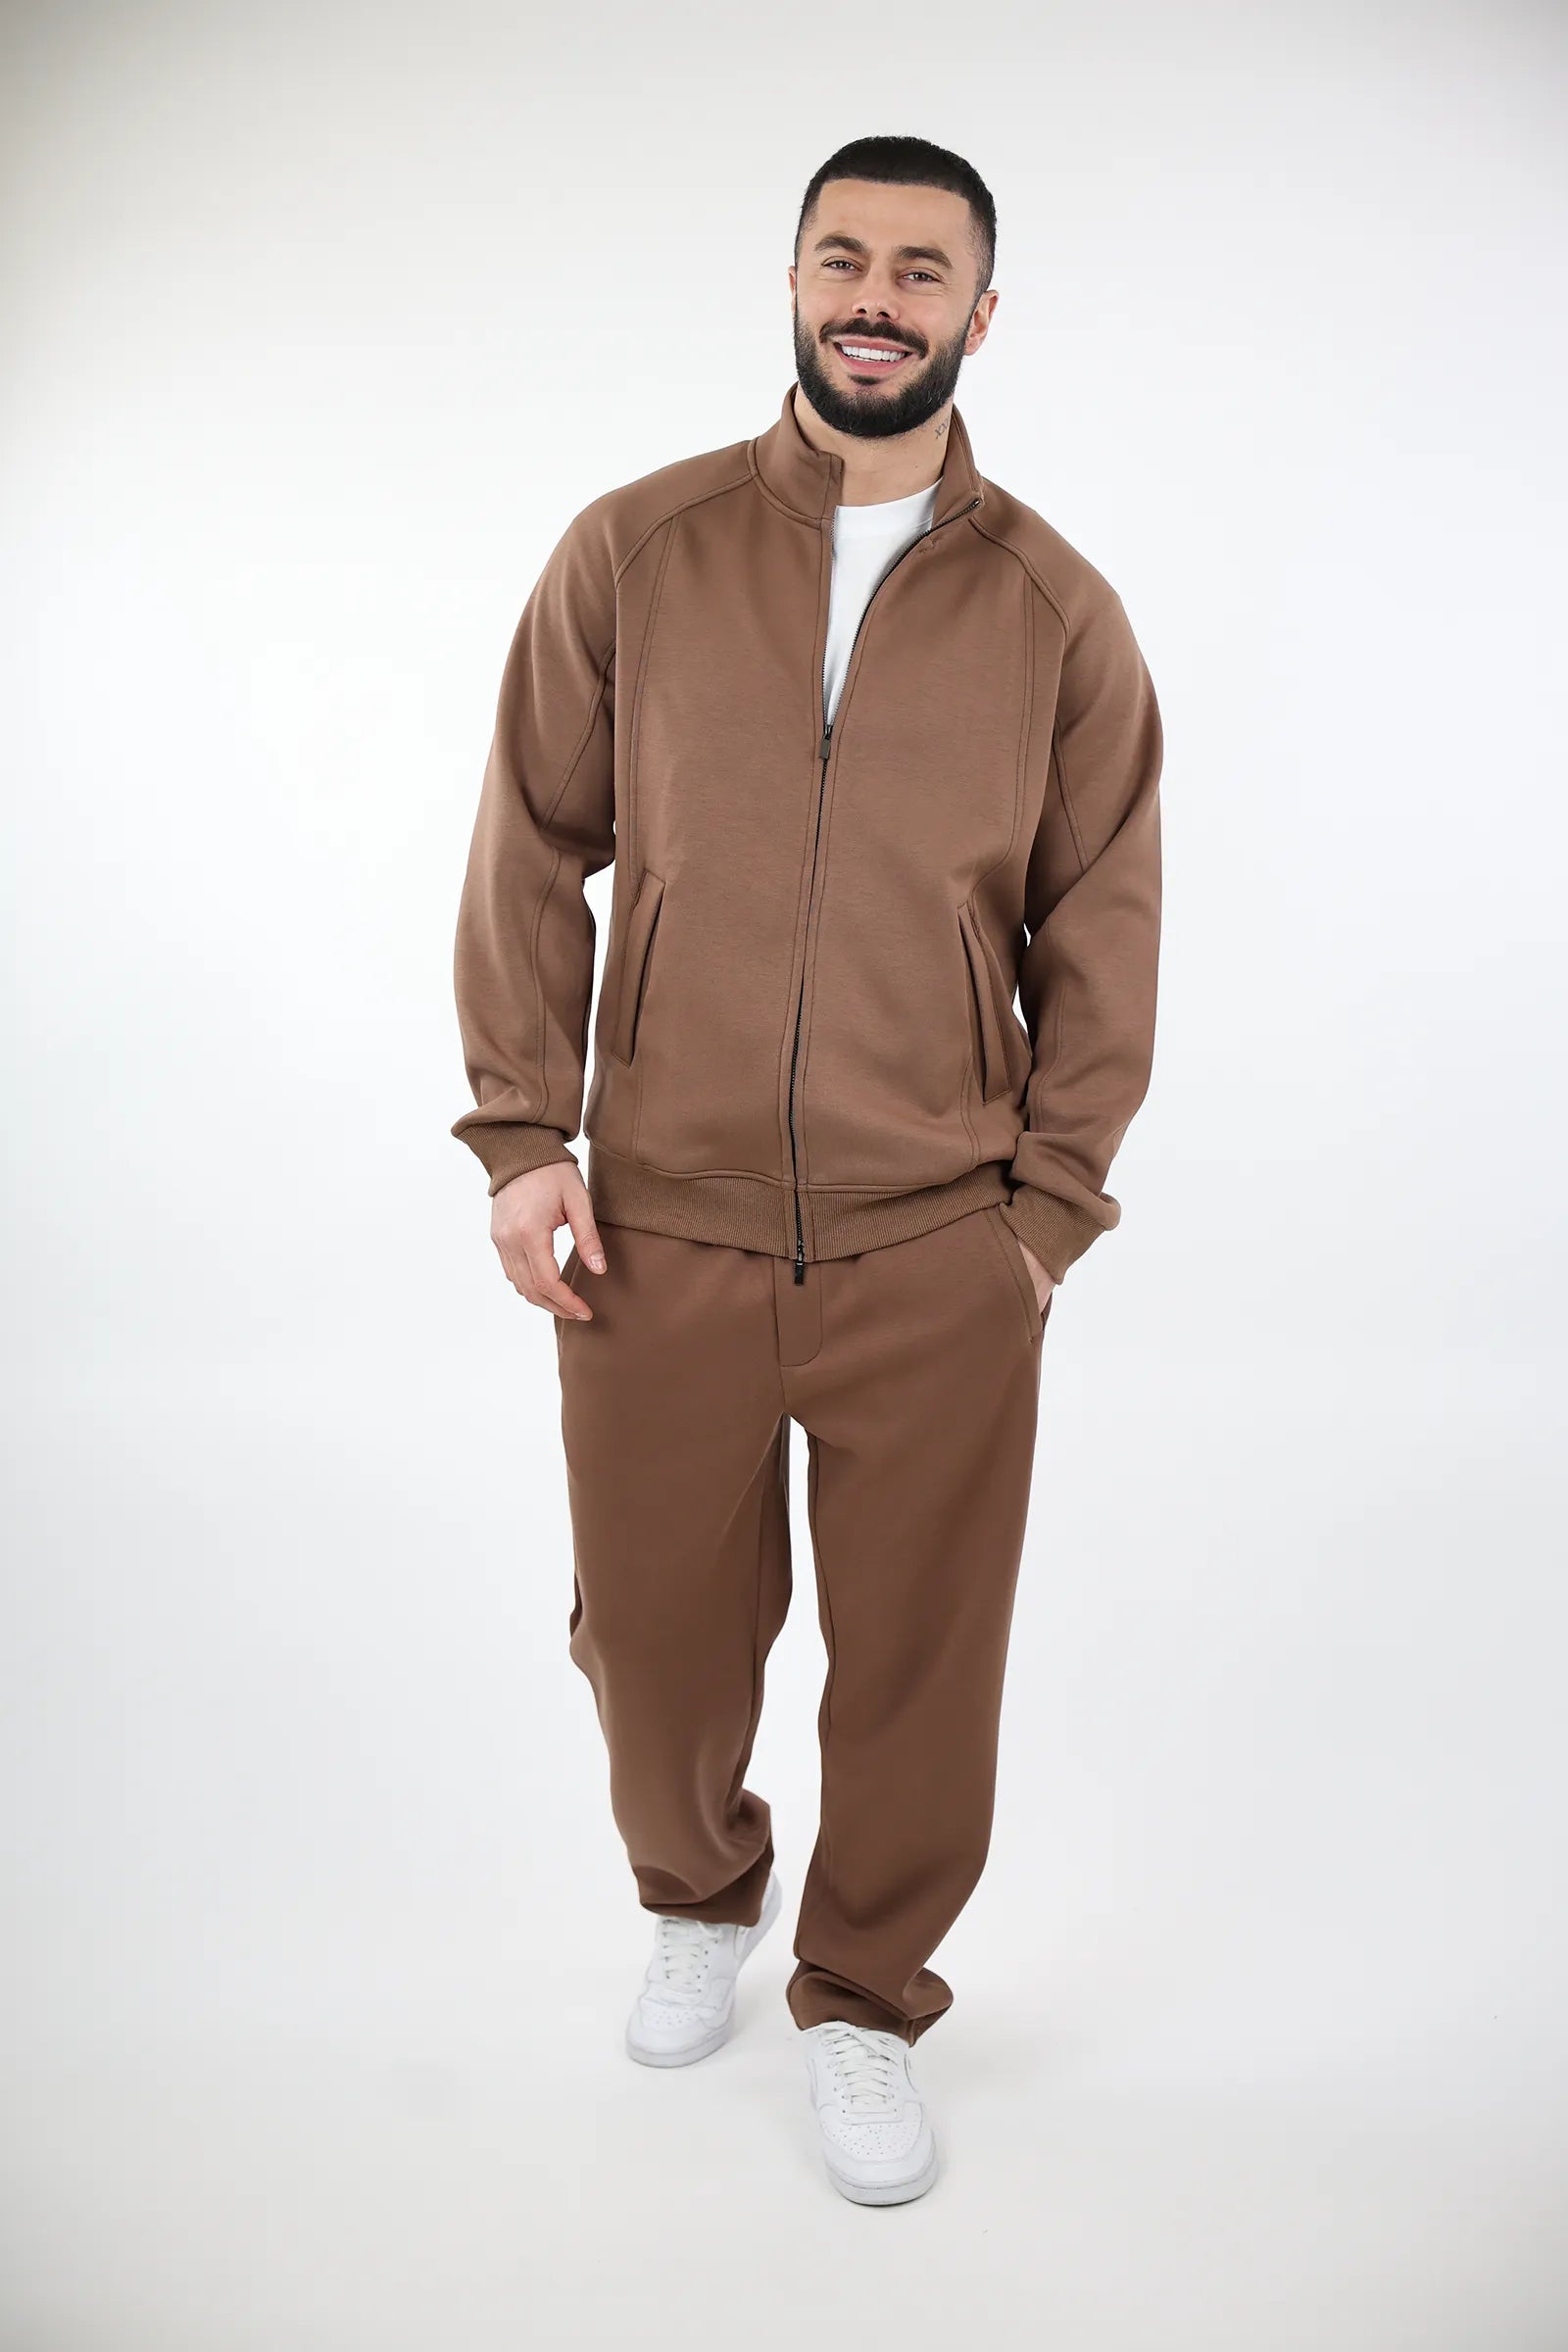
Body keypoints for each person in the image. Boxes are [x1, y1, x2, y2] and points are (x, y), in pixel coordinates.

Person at [450, 133, 1163, 2206]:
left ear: (978, 315)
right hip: (655, 1229)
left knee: (921, 1669)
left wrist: (1041, 1221)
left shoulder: (1055, 612)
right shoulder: (635, 551)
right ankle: (699, 1894)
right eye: (842, 258)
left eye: (920, 269)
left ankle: (861, 1997)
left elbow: (1103, 926)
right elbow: (529, 846)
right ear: (789, 282)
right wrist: (524, 1133)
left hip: (938, 1242)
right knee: (655, 1643)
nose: (876, 296)